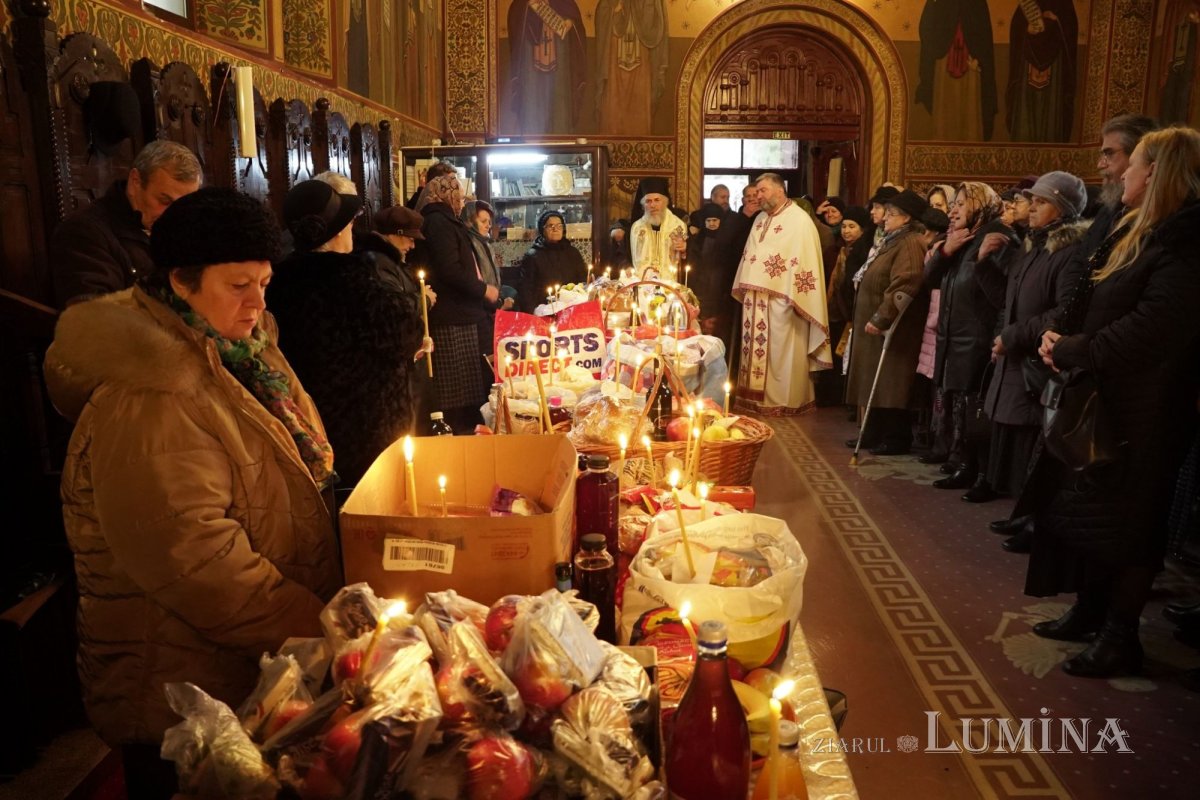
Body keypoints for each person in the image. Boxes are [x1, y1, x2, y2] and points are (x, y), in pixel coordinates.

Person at [44, 188, 342, 798]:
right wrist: (322, 629)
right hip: (179, 687)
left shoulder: (242, 350)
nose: (258, 301)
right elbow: (198, 561)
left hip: (242, 668)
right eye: (239, 285)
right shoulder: (150, 392)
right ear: (181, 282)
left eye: (264, 281)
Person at [1025, 127, 1200, 678]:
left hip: (1147, 408)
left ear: (1157, 174)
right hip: (1104, 394)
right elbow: (1089, 293)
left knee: (1131, 521)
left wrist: (1079, 349)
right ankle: (1091, 608)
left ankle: (1121, 635)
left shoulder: (1184, 241)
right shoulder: (1130, 227)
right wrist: (1060, 339)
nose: (1121, 172)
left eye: (1134, 163)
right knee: (1092, 512)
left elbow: (1154, 328)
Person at [267, 181, 425, 488]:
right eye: (350, 224)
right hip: (365, 433)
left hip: (308, 428)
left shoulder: (278, 283)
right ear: (338, 232)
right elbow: (407, 331)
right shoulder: (350, 281)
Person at [981, 172, 1087, 553]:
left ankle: (1035, 520)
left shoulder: (1069, 251)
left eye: (1040, 202)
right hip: (1017, 356)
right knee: (1017, 442)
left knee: (1035, 444)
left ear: (1062, 208)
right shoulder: (1034, 246)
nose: (1032, 209)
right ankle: (1022, 512)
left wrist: (1014, 336)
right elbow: (1009, 300)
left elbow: (1063, 311)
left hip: (1038, 363)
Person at [927, 181, 1018, 499]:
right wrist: (945, 251)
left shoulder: (998, 238)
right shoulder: (961, 240)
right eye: (954, 204)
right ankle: (964, 463)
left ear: (981, 205)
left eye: (962, 204)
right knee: (961, 408)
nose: (953, 211)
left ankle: (985, 474)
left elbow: (1006, 296)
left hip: (979, 339)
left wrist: (998, 335)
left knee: (978, 410)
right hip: (955, 337)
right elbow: (930, 279)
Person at [51, 140, 202, 309]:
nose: (174, 215)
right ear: (135, 181)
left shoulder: (182, 227)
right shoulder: (83, 231)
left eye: (183, 205)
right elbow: (94, 318)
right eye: (165, 201)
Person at [731, 173, 831, 416]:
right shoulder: (760, 220)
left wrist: (791, 294)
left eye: (763, 191)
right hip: (755, 304)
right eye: (757, 192)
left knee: (784, 354)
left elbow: (804, 264)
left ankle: (786, 402)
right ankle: (753, 400)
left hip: (786, 302)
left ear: (779, 189)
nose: (759, 196)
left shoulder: (799, 221)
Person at [845, 189, 931, 453]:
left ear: (906, 218)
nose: (884, 219)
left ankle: (896, 437)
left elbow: (905, 282)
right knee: (875, 379)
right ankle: (873, 431)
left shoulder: (910, 242)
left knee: (891, 381)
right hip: (873, 325)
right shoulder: (893, 239)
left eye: (891, 214)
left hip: (894, 328)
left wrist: (882, 317)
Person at [413, 174, 500, 432]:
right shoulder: (439, 222)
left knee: (469, 390)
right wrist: (484, 290)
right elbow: (450, 270)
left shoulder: (445, 220)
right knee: (458, 393)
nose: (462, 203)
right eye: (459, 197)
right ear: (447, 195)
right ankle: (460, 437)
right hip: (454, 318)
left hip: (463, 314)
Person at [517, 209, 588, 312]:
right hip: (544, 310)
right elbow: (526, 289)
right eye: (550, 226)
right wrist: (532, 313)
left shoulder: (573, 253)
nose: (555, 229)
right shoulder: (532, 256)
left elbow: (583, 280)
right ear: (542, 230)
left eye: (559, 226)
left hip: (572, 308)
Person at [629, 177, 687, 275]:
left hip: (670, 284)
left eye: (657, 200)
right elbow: (628, 257)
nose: (653, 205)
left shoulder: (678, 225)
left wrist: (685, 248)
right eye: (648, 201)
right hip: (643, 283)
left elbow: (689, 260)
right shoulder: (637, 227)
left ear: (665, 202)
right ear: (643, 205)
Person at [686, 202, 726, 333]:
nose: (712, 224)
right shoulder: (698, 239)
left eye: (715, 220)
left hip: (720, 286)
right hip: (701, 284)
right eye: (708, 221)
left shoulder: (726, 239)